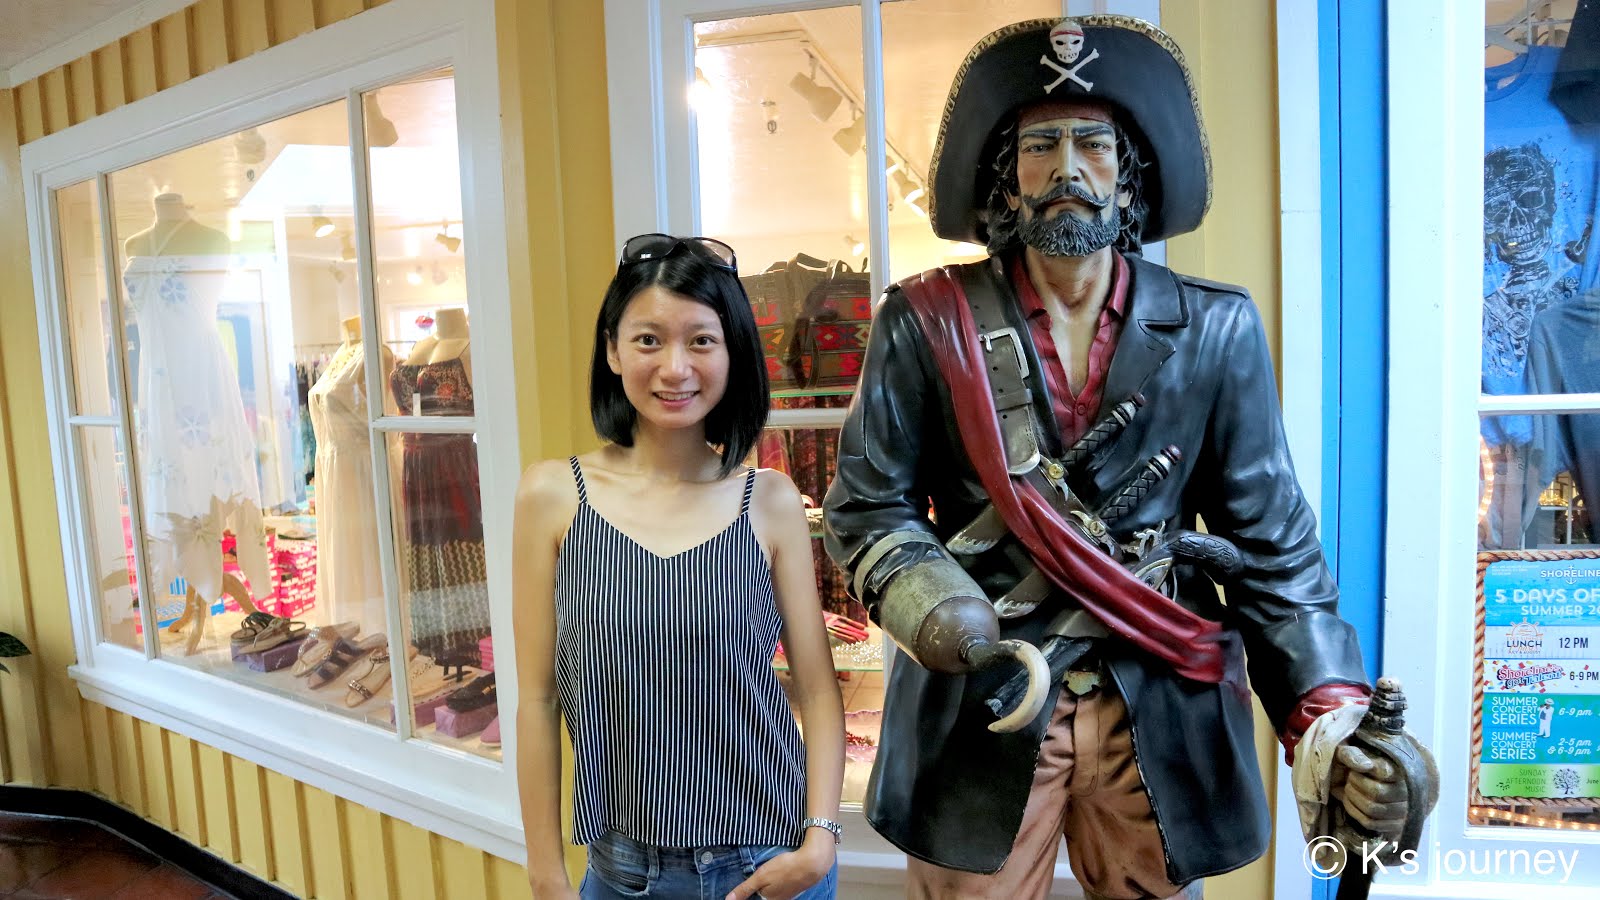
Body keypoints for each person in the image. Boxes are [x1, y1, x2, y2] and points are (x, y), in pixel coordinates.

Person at [823, 17, 1430, 900]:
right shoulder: (922, 321)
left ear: (1129, 170)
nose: (1067, 169)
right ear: (1008, 174)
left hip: (1157, 695)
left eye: (1093, 144)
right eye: (1041, 146)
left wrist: (1329, 711)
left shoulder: (1216, 328)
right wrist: (941, 610)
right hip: (986, 698)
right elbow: (866, 506)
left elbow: (1271, 545)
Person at [514, 234, 844, 900]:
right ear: (612, 350)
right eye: (648, 340)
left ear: (732, 353)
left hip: (769, 861)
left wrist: (820, 841)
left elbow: (816, 690)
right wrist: (545, 869)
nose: (675, 368)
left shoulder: (769, 500)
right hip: (623, 872)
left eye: (701, 341)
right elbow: (537, 699)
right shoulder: (553, 496)